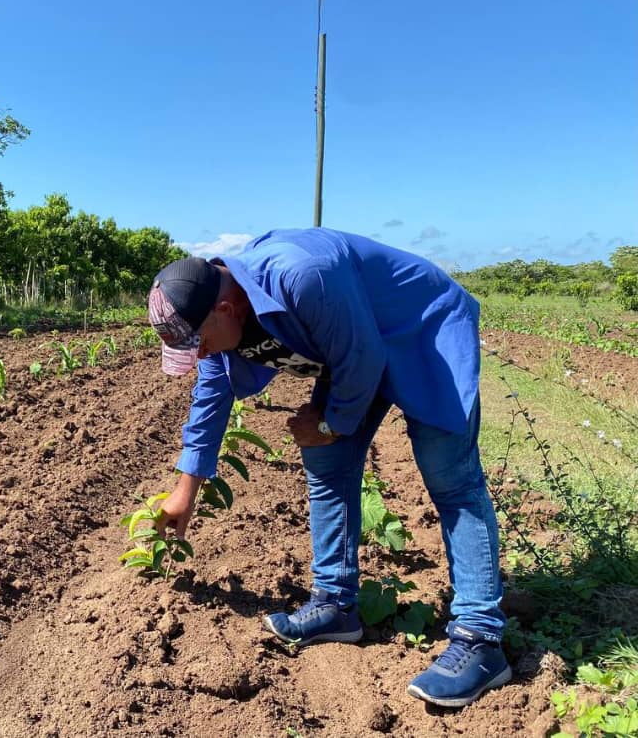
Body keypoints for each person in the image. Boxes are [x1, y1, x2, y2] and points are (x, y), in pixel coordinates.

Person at [148, 227, 510, 708]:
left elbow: (363, 358)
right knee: (326, 464)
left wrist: (331, 423)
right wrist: (185, 491)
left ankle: (481, 641)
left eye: (202, 345)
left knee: (452, 481)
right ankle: (335, 606)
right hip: (354, 350)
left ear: (227, 310)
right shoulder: (216, 314)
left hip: (420, 333)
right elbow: (211, 396)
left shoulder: (302, 276)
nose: (202, 356)